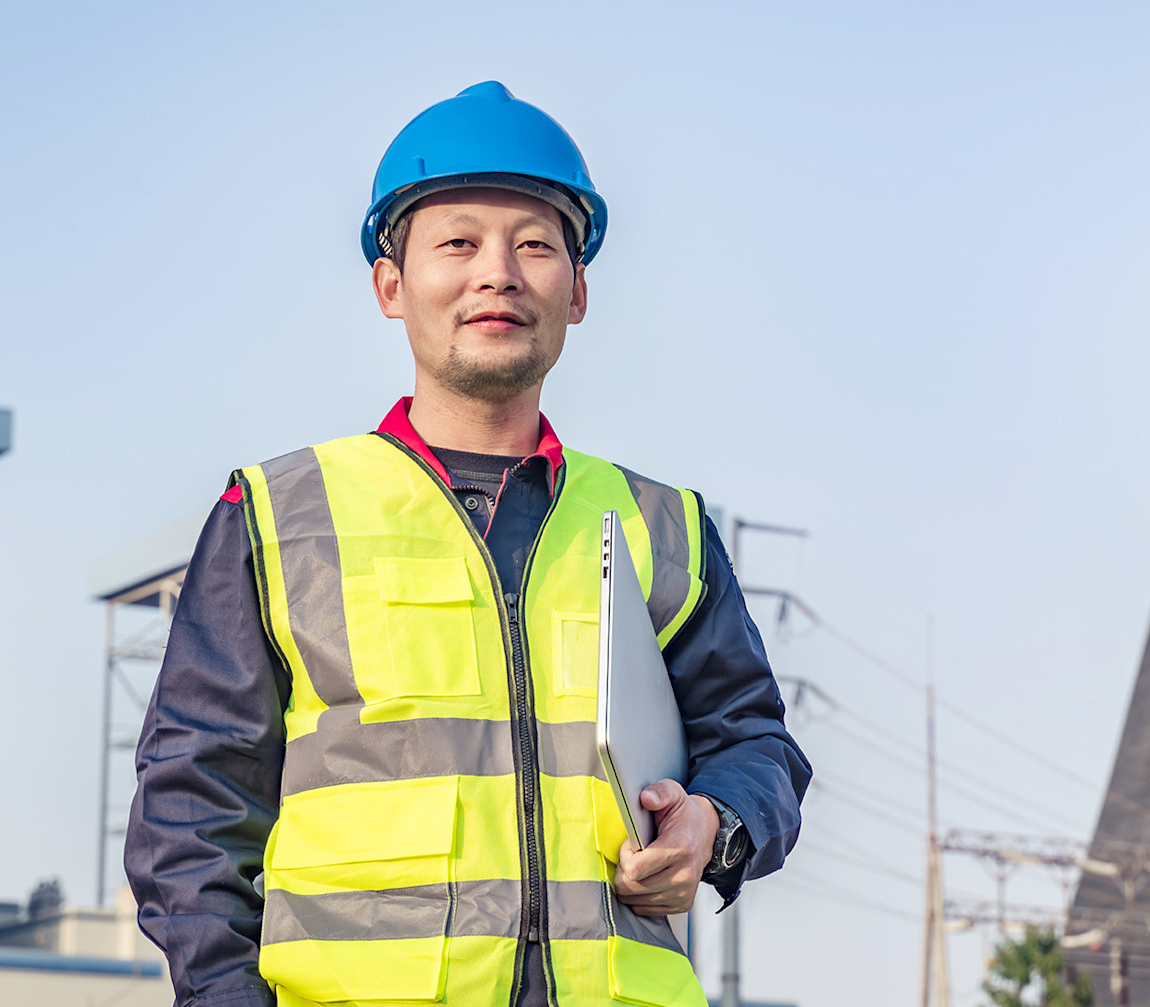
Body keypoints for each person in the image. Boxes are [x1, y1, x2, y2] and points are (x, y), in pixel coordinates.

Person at [125, 80, 812, 1007]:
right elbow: (193, 808)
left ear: (577, 291)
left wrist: (712, 826)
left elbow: (756, 743)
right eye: (457, 241)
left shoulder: (663, 528)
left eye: (535, 243)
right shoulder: (279, 519)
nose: (499, 271)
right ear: (390, 284)